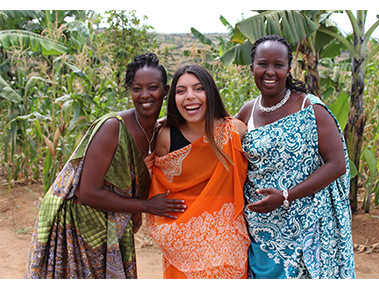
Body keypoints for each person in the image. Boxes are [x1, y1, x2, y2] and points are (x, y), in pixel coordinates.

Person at [25, 53, 186, 279]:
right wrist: (146, 206)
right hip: (81, 226)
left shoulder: (158, 131)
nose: (145, 95)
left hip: (114, 225)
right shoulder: (113, 127)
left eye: (152, 87)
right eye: (137, 88)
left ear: (166, 90)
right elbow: (88, 192)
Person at [236, 35, 356, 279]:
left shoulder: (310, 108)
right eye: (263, 64)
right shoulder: (247, 111)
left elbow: (337, 165)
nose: (270, 72)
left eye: (278, 65)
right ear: (252, 68)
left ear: (288, 69)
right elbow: (220, 139)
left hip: (307, 226)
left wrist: (287, 196)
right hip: (262, 230)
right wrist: (176, 122)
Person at [146, 63, 250, 279]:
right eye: (181, 91)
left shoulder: (235, 131)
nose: (190, 96)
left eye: (198, 88)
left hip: (227, 242)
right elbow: (158, 185)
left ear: (210, 93)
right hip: (182, 242)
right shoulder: (165, 137)